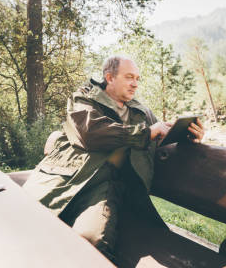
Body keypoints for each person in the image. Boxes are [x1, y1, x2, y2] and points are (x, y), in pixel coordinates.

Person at [22, 56, 205, 261]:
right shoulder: (84, 98)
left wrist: (187, 137)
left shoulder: (141, 112)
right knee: (24, 222)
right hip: (66, 180)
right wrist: (144, 133)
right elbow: (90, 133)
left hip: (104, 189)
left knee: (92, 242)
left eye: (137, 78)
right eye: (129, 77)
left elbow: (159, 139)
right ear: (109, 77)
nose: (135, 83)